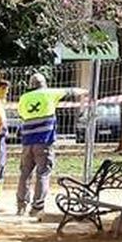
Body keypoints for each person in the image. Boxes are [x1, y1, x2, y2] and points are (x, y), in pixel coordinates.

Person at [15, 72, 83, 218]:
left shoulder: (24, 98)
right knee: (43, 174)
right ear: (44, 84)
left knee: (25, 174)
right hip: (44, 141)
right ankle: (37, 208)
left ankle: (21, 206)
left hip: (27, 142)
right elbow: (71, 91)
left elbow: (21, 114)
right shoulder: (49, 93)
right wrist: (87, 91)